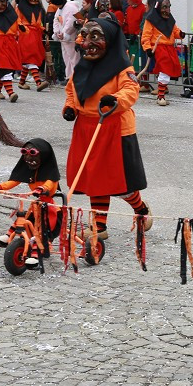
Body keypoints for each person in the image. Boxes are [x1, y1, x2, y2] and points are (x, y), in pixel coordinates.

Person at [63, 18, 153, 239]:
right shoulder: (82, 67)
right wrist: (70, 107)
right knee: (95, 179)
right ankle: (99, 226)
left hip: (113, 126)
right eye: (85, 36)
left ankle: (140, 208)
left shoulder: (123, 67)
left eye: (96, 36)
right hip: (86, 127)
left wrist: (115, 99)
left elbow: (131, 90)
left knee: (119, 183)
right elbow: (72, 90)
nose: (87, 42)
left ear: (110, 41)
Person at [0, 139, 62, 261]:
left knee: (43, 227)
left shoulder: (50, 173)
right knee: (25, 219)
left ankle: (37, 249)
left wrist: (42, 188)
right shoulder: (29, 169)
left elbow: (50, 184)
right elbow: (14, 181)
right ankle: (9, 235)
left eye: (32, 153)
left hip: (48, 206)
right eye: (25, 152)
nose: (28, 157)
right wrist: (0, 186)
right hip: (36, 204)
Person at [141, 0, 182, 106]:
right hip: (159, 47)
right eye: (164, 7)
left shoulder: (169, 19)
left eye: (168, 7)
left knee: (169, 70)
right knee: (165, 69)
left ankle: (162, 92)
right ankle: (161, 96)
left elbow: (174, 31)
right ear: (158, 7)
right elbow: (146, 35)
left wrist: (180, 34)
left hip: (170, 48)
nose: (167, 10)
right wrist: (148, 48)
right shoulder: (151, 20)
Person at [15, 0, 48, 91]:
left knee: (29, 59)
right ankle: (38, 82)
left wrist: (43, 30)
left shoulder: (37, 9)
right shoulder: (20, 8)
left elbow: (38, 23)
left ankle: (22, 82)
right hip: (26, 35)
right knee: (31, 58)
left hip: (36, 35)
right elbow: (17, 19)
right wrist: (21, 27)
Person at [54, 0, 82, 80]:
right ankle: (69, 76)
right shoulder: (60, 9)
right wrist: (57, 32)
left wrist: (65, 32)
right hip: (63, 37)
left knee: (74, 57)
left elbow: (71, 22)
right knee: (66, 57)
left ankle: (75, 76)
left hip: (71, 36)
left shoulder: (71, 8)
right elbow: (56, 20)